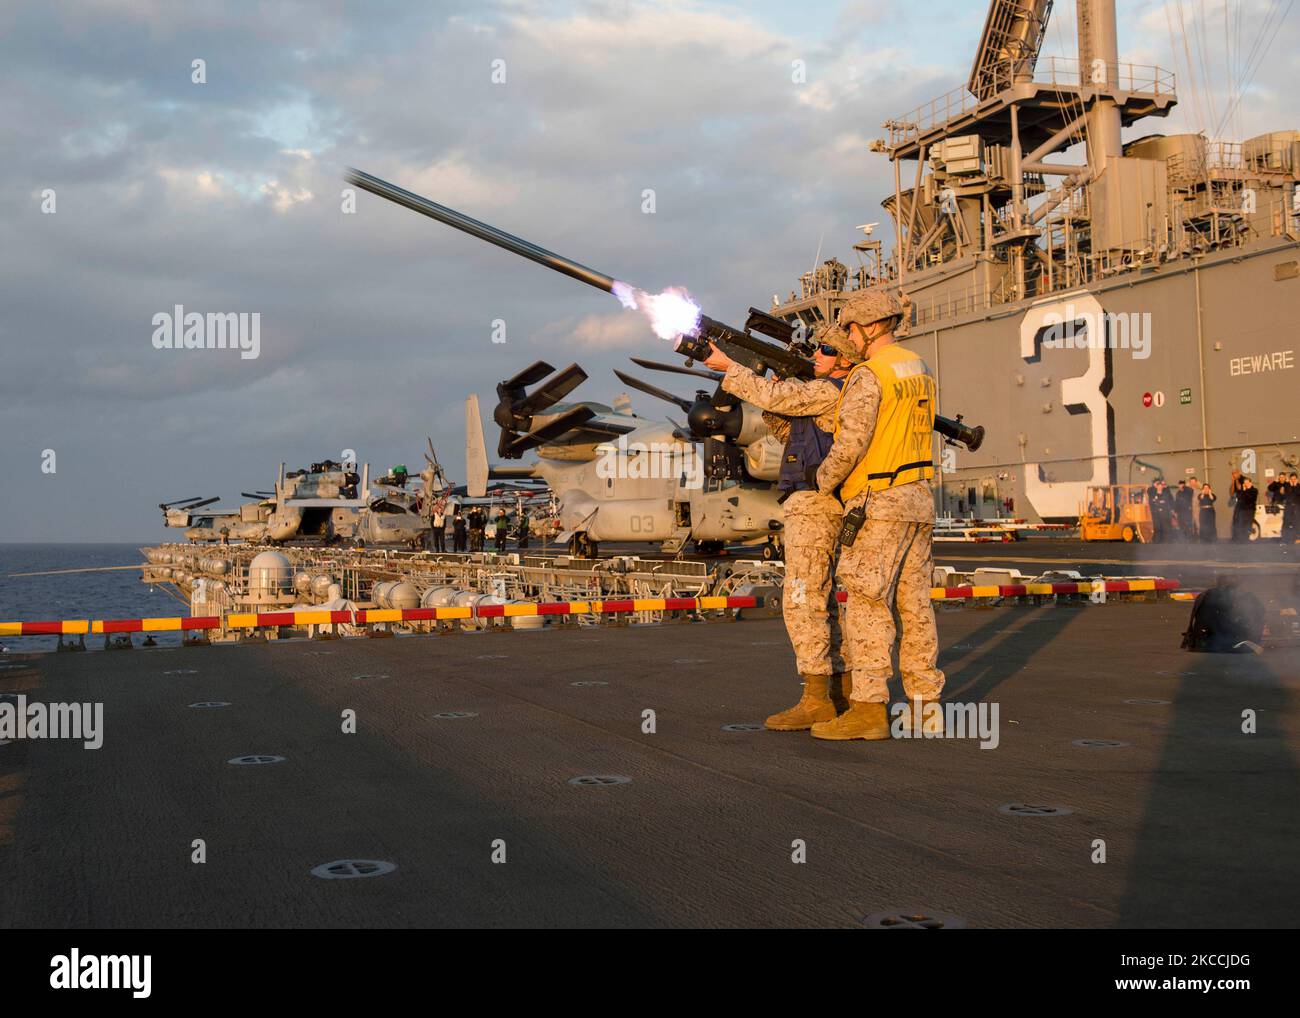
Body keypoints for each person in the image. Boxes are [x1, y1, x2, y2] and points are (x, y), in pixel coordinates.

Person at [703, 322, 856, 729]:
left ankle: (817, 699)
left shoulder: (832, 390)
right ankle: (837, 691)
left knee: (802, 599)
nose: (817, 355)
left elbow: (780, 397)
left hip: (815, 503)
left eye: (826, 350)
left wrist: (730, 368)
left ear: (844, 359)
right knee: (820, 599)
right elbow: (789, 427)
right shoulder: (822, 394)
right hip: (810, 502)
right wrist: (775, 391)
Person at [809, 289, 945, 742]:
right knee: (916, 605)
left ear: (869, 327)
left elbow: (851, 443)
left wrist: (822, 480)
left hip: (879, 500)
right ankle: (925, 707)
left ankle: (868, 710)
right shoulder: (919, 367)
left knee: (867, 603)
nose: (848, 337)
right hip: (918, 498)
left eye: (850, 328)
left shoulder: (870, 374)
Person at [1231, 476, 1258, 542]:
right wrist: (1243, 490)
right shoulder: (1242, 491)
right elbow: (1240, 498)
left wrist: (1246, 490)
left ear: (1250, 483)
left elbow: (1250, 498)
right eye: (1245, 483)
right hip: (1242, 510)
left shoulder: (1254, 490)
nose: (1246, 484)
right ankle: (1241, 539)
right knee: (1241, 524)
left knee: (1248, 524)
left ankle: (1247, 538)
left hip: (1250, 510)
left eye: (1247, 483)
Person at [1283, 472, 1300, 544]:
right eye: (1291, 479)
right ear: (1289, 479)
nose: (1293, 480)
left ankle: (1297, 538)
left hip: (1297, 507)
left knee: (1297, 522)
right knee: (1287, 522)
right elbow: (1287, 495)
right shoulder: (1287, 486)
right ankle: (1287, 538)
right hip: (1289, 507)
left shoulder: (1299, 486)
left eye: (1294, 479)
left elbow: (1298, 494)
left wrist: (1295, 486)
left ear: (1297, 479)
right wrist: (1291, 486)